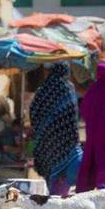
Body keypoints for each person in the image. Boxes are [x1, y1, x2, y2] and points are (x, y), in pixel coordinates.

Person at [30, 62, 83, 196]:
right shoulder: (68, 88)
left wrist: (43, 127)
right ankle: (60, 197)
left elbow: (33, 110)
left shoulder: (42, 90)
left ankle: (54, 197)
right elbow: (73, 114)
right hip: (67, 138)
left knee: (51, 168)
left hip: (47, 139)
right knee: (67, 169)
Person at [76, 63, 105, 192]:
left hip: (92, 134)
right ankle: (103, 186)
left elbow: (84, 110)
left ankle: (85, 188)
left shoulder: (91, 90)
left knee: (91, 160)